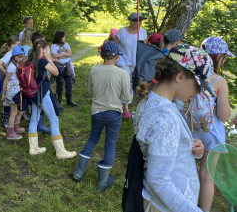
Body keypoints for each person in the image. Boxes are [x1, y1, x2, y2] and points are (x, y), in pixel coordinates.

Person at [135, 44, 214, 212]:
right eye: (198, 85)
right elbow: (159, 180)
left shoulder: (151, 101)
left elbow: (158, 142)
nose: (199, 92)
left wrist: (186, 145)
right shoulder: (165, 116)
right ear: (179, 77)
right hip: (165, 207)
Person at [72, 41, 131, 191]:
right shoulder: (122, 73)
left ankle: (78, 172)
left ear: (101, 55)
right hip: (114, 114)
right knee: (110, 145)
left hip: (97, 112)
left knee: (93, 138)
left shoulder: (94, 70)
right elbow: (126, 96)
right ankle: (103, 182)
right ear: (116, 56)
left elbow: (91, 92)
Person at [192, 37, 234, 212]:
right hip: (211, 134)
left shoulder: (190, 75)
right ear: (219, 58)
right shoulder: (219, 81)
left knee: (188, 171)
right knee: (207, 176)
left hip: (190, 131)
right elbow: (223, 116)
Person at [27, 39, 76, 159]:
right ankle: (60, 152)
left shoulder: (30, 60)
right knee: (54, 120)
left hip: (33, 94)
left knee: (34, 118)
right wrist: (48, 58)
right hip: (43, 94)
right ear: (43, 49)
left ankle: (33, 148)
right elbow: (56, 72)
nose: (49, 51)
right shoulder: (43, 61)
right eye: (48, 49)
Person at [113, 12, 148, 116]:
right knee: (126, 83)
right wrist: (112, 59)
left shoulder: (142, 32)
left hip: (136, 61)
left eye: (141, 20)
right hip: (122, 61)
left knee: (133, 83)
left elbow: (144, 46)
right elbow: (114, 45)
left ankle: (124, 101)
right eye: (137, 21)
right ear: (131, 21)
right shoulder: (122, 32)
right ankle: (126, 108)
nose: (140, 23)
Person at [1, 45, 27, 140]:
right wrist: (4, 94)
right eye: (19, 57)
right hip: (12, 92)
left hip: (16, 91)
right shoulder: (12, 67)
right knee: (13, 112)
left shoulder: (16, 64)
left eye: (22, 56)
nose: (21, 59)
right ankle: (10, 133)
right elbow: (6, 80)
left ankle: (15, 127)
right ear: (14, 56)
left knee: (15, 111)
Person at [51, 30, 77, 106]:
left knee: (69, 84)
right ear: (60, 37)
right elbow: (54, 56)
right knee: (60, 84)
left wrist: (61, 55)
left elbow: (70, 54)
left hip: (67, 67)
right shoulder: (53, 46)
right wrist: (65, 54)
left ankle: (69, 100)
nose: (65, 38)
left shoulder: (66, 44)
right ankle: (60, 99)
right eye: (64, 36)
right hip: (59, 67)